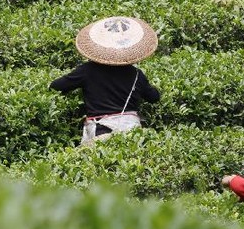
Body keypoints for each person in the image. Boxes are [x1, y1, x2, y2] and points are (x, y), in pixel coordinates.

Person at [50, 16, 161, 146]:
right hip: (132, 132)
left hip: (100, 130)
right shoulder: (136, 74)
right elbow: (154, 97)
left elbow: (56, 86)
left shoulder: (87, 70)